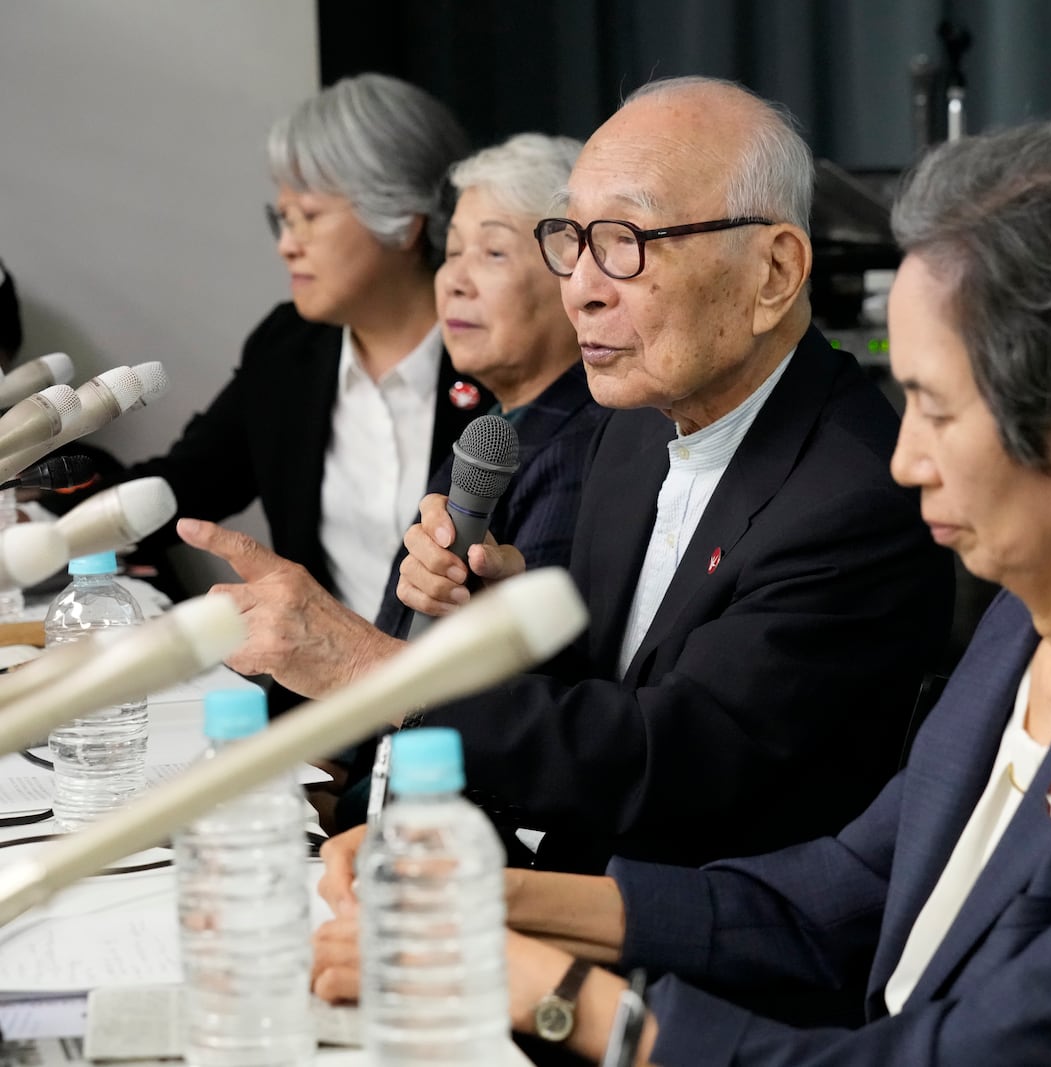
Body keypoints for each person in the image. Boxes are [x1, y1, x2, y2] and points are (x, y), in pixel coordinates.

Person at [311, 118, 1051, 1066]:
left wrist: (553, 996)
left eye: (933, 408)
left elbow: (936, 1054)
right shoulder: (1033, 607)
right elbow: (835, 890)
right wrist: (491, 899)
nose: (901, 459)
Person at [205, 77, 954, 882]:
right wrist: (501, 638)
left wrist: (374, 671)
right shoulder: (634, 425)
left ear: (773, 271)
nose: (582, 289)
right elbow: (602, 695)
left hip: (696, 959)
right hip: (563, 881)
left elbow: (672, 761)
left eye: (626, 241)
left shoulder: (857, 494)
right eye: (572, 239)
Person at [177, 131, 603, 705]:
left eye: (493, 253)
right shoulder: (493, 433)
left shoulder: (586, 447)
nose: (454, 280)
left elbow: (537, 700)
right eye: (452, 252)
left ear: (574, 276)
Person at [74, 73, 476, 626]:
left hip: (475, 698)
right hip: (321, 698)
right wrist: (51, 522)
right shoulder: (289, 349)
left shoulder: (494, 355)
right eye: (282, 220)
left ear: (404, 221)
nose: (287, 245)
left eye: (308, 217)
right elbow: (187, 483)